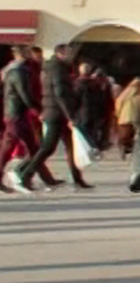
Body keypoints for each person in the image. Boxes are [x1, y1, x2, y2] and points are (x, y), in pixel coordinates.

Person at [19, 43, 93, 190]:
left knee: (70, 146)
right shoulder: (57, 69)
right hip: (56, 113)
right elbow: (60, 93)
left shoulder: (55, 68)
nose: (71, 56)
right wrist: (70, 115)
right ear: (61, 53)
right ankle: (25, 174)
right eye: (68, 53)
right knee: (48, 147)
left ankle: (77, 178)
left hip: (55, 111)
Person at [0, 46, 56, 193]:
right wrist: (37, 109)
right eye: (27, 52)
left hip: (13, 114)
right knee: (27, 148)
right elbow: (25, 94)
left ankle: (36, 178)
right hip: (17, 115)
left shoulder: (11, 71)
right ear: (22, 54)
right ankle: (27, 177)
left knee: (29, 148)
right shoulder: (19, 72)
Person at [115, 77, 140, 158]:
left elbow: (118, 104)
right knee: (139, 134)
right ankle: (137, 149)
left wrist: (118, 115)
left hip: (124, 118)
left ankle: (126, 147)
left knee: (126, 135)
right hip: (138, 119)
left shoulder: (124, 95)